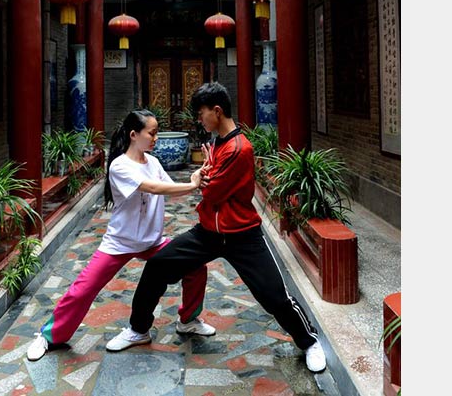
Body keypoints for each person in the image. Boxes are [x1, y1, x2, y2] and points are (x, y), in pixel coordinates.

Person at [105, 83, 327, 373]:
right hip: (208, 233)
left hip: (242, 236)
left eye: (201, 114)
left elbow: (211, 191)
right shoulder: (220, 143)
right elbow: (206, 180)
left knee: (274, 295)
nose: (199, 120)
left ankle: (309, 341)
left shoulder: (238, 148)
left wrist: (206, 178)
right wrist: (205, 177)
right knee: (158, 266)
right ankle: (138, 329)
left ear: (217, 111)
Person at [26, 109, 215, 361]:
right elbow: (153, 187)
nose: (155, 138)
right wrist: (191, 183)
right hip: (120, 243)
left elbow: (171, 189)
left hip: (153, 243)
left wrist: (198, 177)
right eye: (153, 133)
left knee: (195, 266)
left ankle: (189, 319)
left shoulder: (154, 163)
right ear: (134, 135)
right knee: (83, 289)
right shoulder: (119, 165)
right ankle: (49, 336)